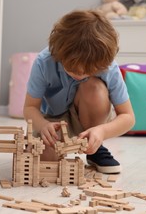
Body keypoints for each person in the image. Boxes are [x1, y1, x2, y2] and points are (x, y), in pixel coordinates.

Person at [23, 10, 135, 174]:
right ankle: (42, 142)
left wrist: (101, 131)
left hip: (88, 119)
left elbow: (128, 117)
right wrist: (43, 126)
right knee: (44, 163)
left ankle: (95, 148)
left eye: (90, 71)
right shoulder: (44, 61)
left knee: (94, 88)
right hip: (53, 122)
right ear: (59, 54)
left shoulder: (107, 65)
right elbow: (29, 108)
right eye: (73, 69)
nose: (80, 74)